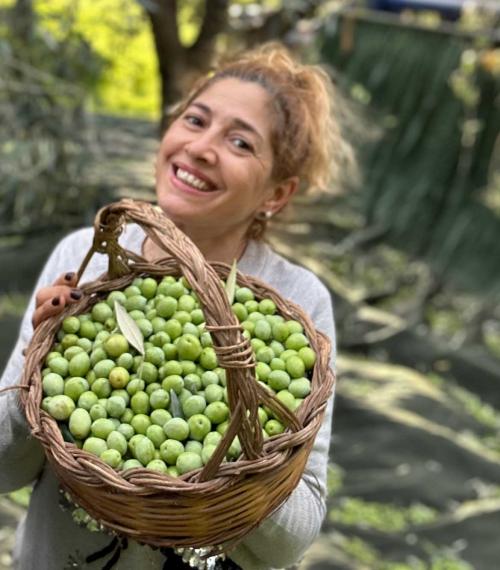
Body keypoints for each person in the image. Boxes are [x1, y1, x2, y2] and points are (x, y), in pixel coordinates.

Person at [0, 43, 354, 569]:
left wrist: (247, 460)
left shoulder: (296, 305)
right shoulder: (87, 260)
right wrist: (32, 377)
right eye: (195, 120)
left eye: (240, 141)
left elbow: (290, 544)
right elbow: (5, 470)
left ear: (275, 194)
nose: (203, 147)